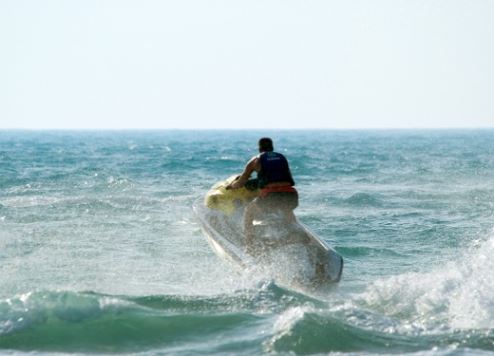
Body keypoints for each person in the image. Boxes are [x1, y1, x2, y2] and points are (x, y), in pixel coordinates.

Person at [226, 137, 298, 252]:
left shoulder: (256, 160)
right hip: (291, 196)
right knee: (287, 210)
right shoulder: (282, 157)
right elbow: (287, 179)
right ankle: (297, 232)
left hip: (271, 197)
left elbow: (241, 182)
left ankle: (249, 246)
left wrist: (231, 186)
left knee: (249, 212)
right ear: (272, 147)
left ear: (260, 148)